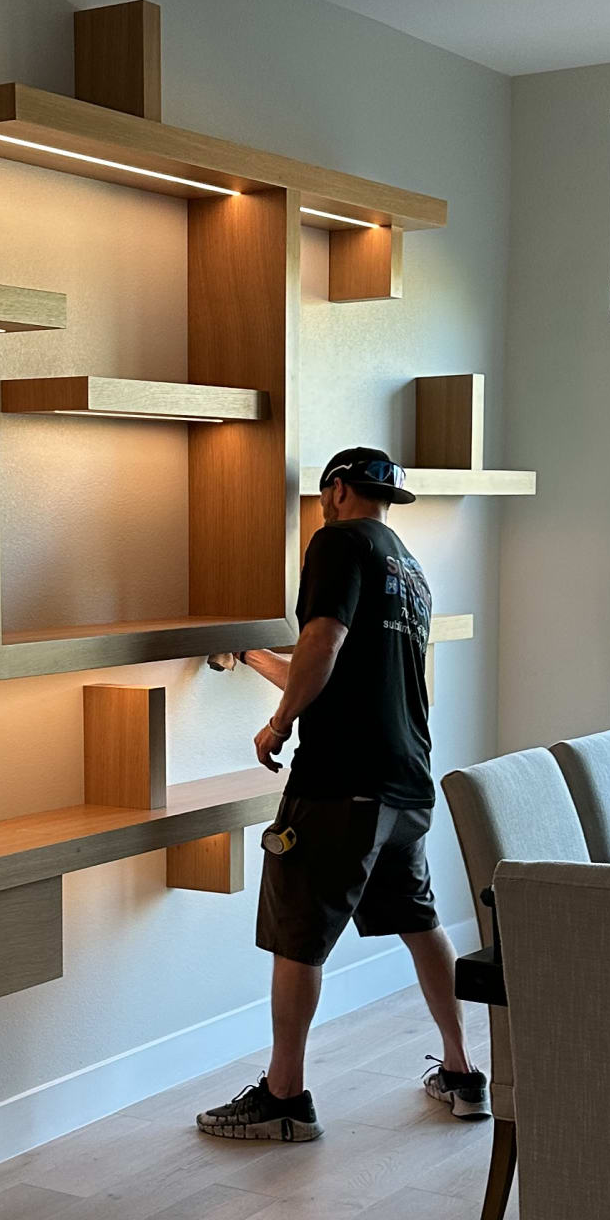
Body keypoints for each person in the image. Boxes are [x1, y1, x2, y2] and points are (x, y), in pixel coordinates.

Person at [196, 446, 483, 1141]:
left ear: (337, 490)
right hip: (406, 784)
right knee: (420, 922)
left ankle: (284, 1098)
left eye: (325, 495)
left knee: (298, 934)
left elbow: (323, 642)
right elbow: (338, 672)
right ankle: (462, 1071)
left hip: (340, 784)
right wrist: (256, 658)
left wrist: (276, 723)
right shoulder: (408, 569)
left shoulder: (335, 542)